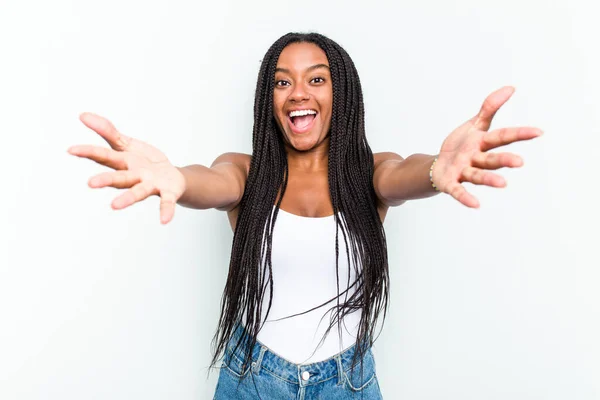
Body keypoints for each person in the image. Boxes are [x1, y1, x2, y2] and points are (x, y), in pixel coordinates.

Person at [67, 32, 543, 399]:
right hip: (252, 376)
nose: (298, 92)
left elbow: (404, 174)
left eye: (316, 78)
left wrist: (440, 170)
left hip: (347, 381)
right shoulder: (246, 173)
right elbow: (212, 182)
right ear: (268, 99)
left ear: (342, 94)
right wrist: (177, 179)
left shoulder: (370, 175)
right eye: (282, 81)